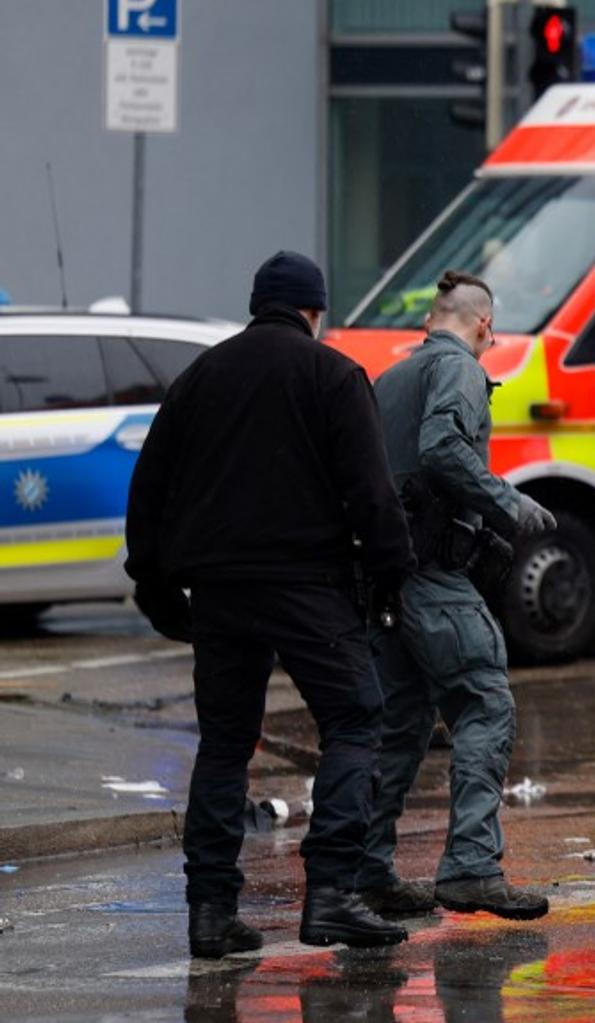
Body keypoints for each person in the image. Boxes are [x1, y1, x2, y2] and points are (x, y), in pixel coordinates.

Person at [125, 250, 415, 957]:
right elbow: (372, 494)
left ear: (258, 304)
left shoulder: (202, 376)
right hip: (308, 583)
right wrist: (393, 576)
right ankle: (334, 894)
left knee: (225, 742)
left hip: (220, 588)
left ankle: (210, 911)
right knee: (354, 718)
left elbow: (150, 484)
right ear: (315, 311)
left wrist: (156, 584)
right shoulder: (332, 374)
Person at [355, 270, 556, 919]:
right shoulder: (462, 370)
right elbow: (441, 447)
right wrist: (509, 503)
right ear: (482, 326)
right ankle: (470, 865)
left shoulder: (390, 381)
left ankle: (369, 869)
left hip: (383, 581)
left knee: (402, 722)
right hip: (432, 575)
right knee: (484, 703)